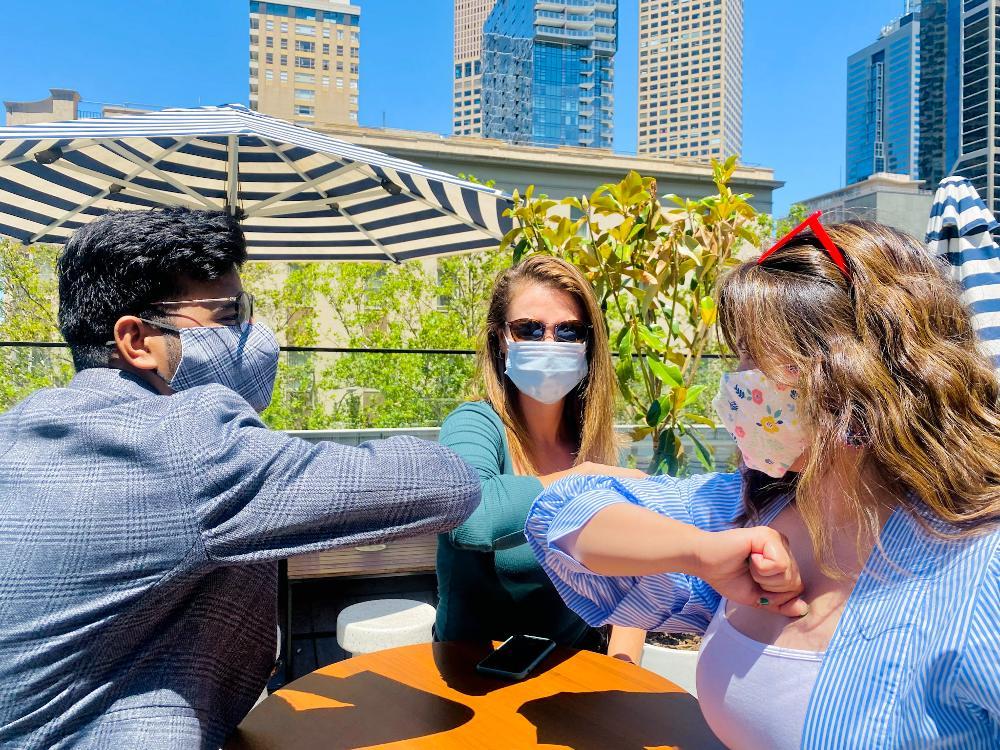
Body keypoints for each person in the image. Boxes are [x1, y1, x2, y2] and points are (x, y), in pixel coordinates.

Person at [0, 208, 481, 750]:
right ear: (136, 341)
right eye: (228, 314)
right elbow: (447, 484)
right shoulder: (182, 443)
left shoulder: (24, 423)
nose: (253, 334)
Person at [525, 219, 1000, 749]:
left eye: (752, 359)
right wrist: (698, 552)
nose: (735, 385)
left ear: (850, 375)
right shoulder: (757, 505)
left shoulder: (979, 565)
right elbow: (561, 514)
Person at [435, 254, 647, 661]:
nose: (549, 344)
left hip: (573, 674)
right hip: (470, 679)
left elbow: (633, 574)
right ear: (500, 338)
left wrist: (622, 674)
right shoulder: (473, 425)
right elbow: (470, 518)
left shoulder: (593, 442)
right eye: (528, 329)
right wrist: (583, 479)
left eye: (569, 331)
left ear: (588, 345)